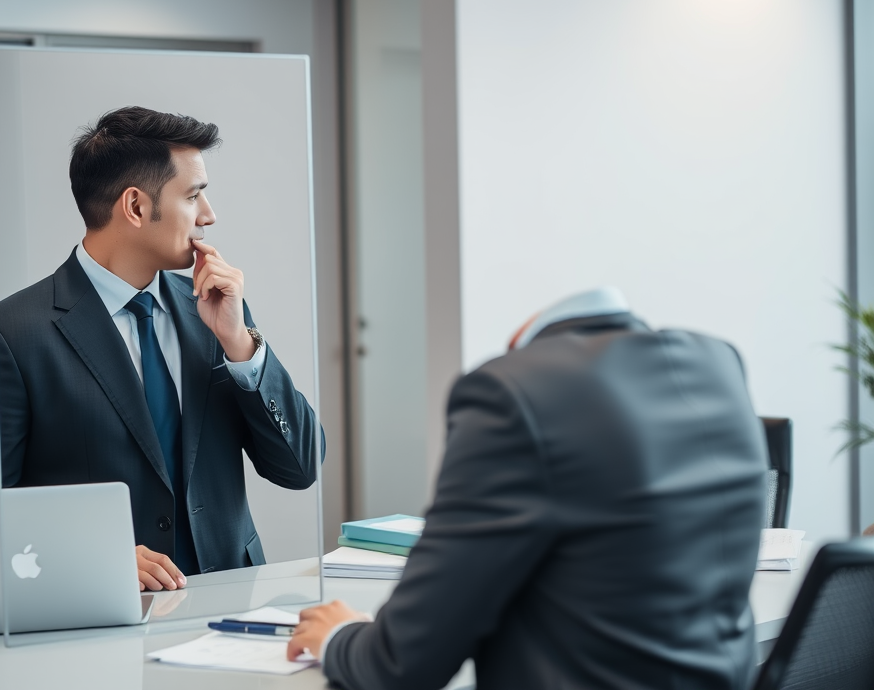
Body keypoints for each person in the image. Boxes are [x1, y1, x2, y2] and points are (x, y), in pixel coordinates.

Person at [290, 288, 767, 690]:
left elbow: (404, 663)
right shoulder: (717, 364)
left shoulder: (510, 389)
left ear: (524, 341)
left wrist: (342, 635)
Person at [0, 106, 322, 592]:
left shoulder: (217, 312)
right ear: (136, 207)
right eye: (194, 195)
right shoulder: (8, 336)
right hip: (100, 621)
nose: (209, 215)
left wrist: (240, 345)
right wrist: (94, 558)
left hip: (229, 607)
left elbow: (300, 468)